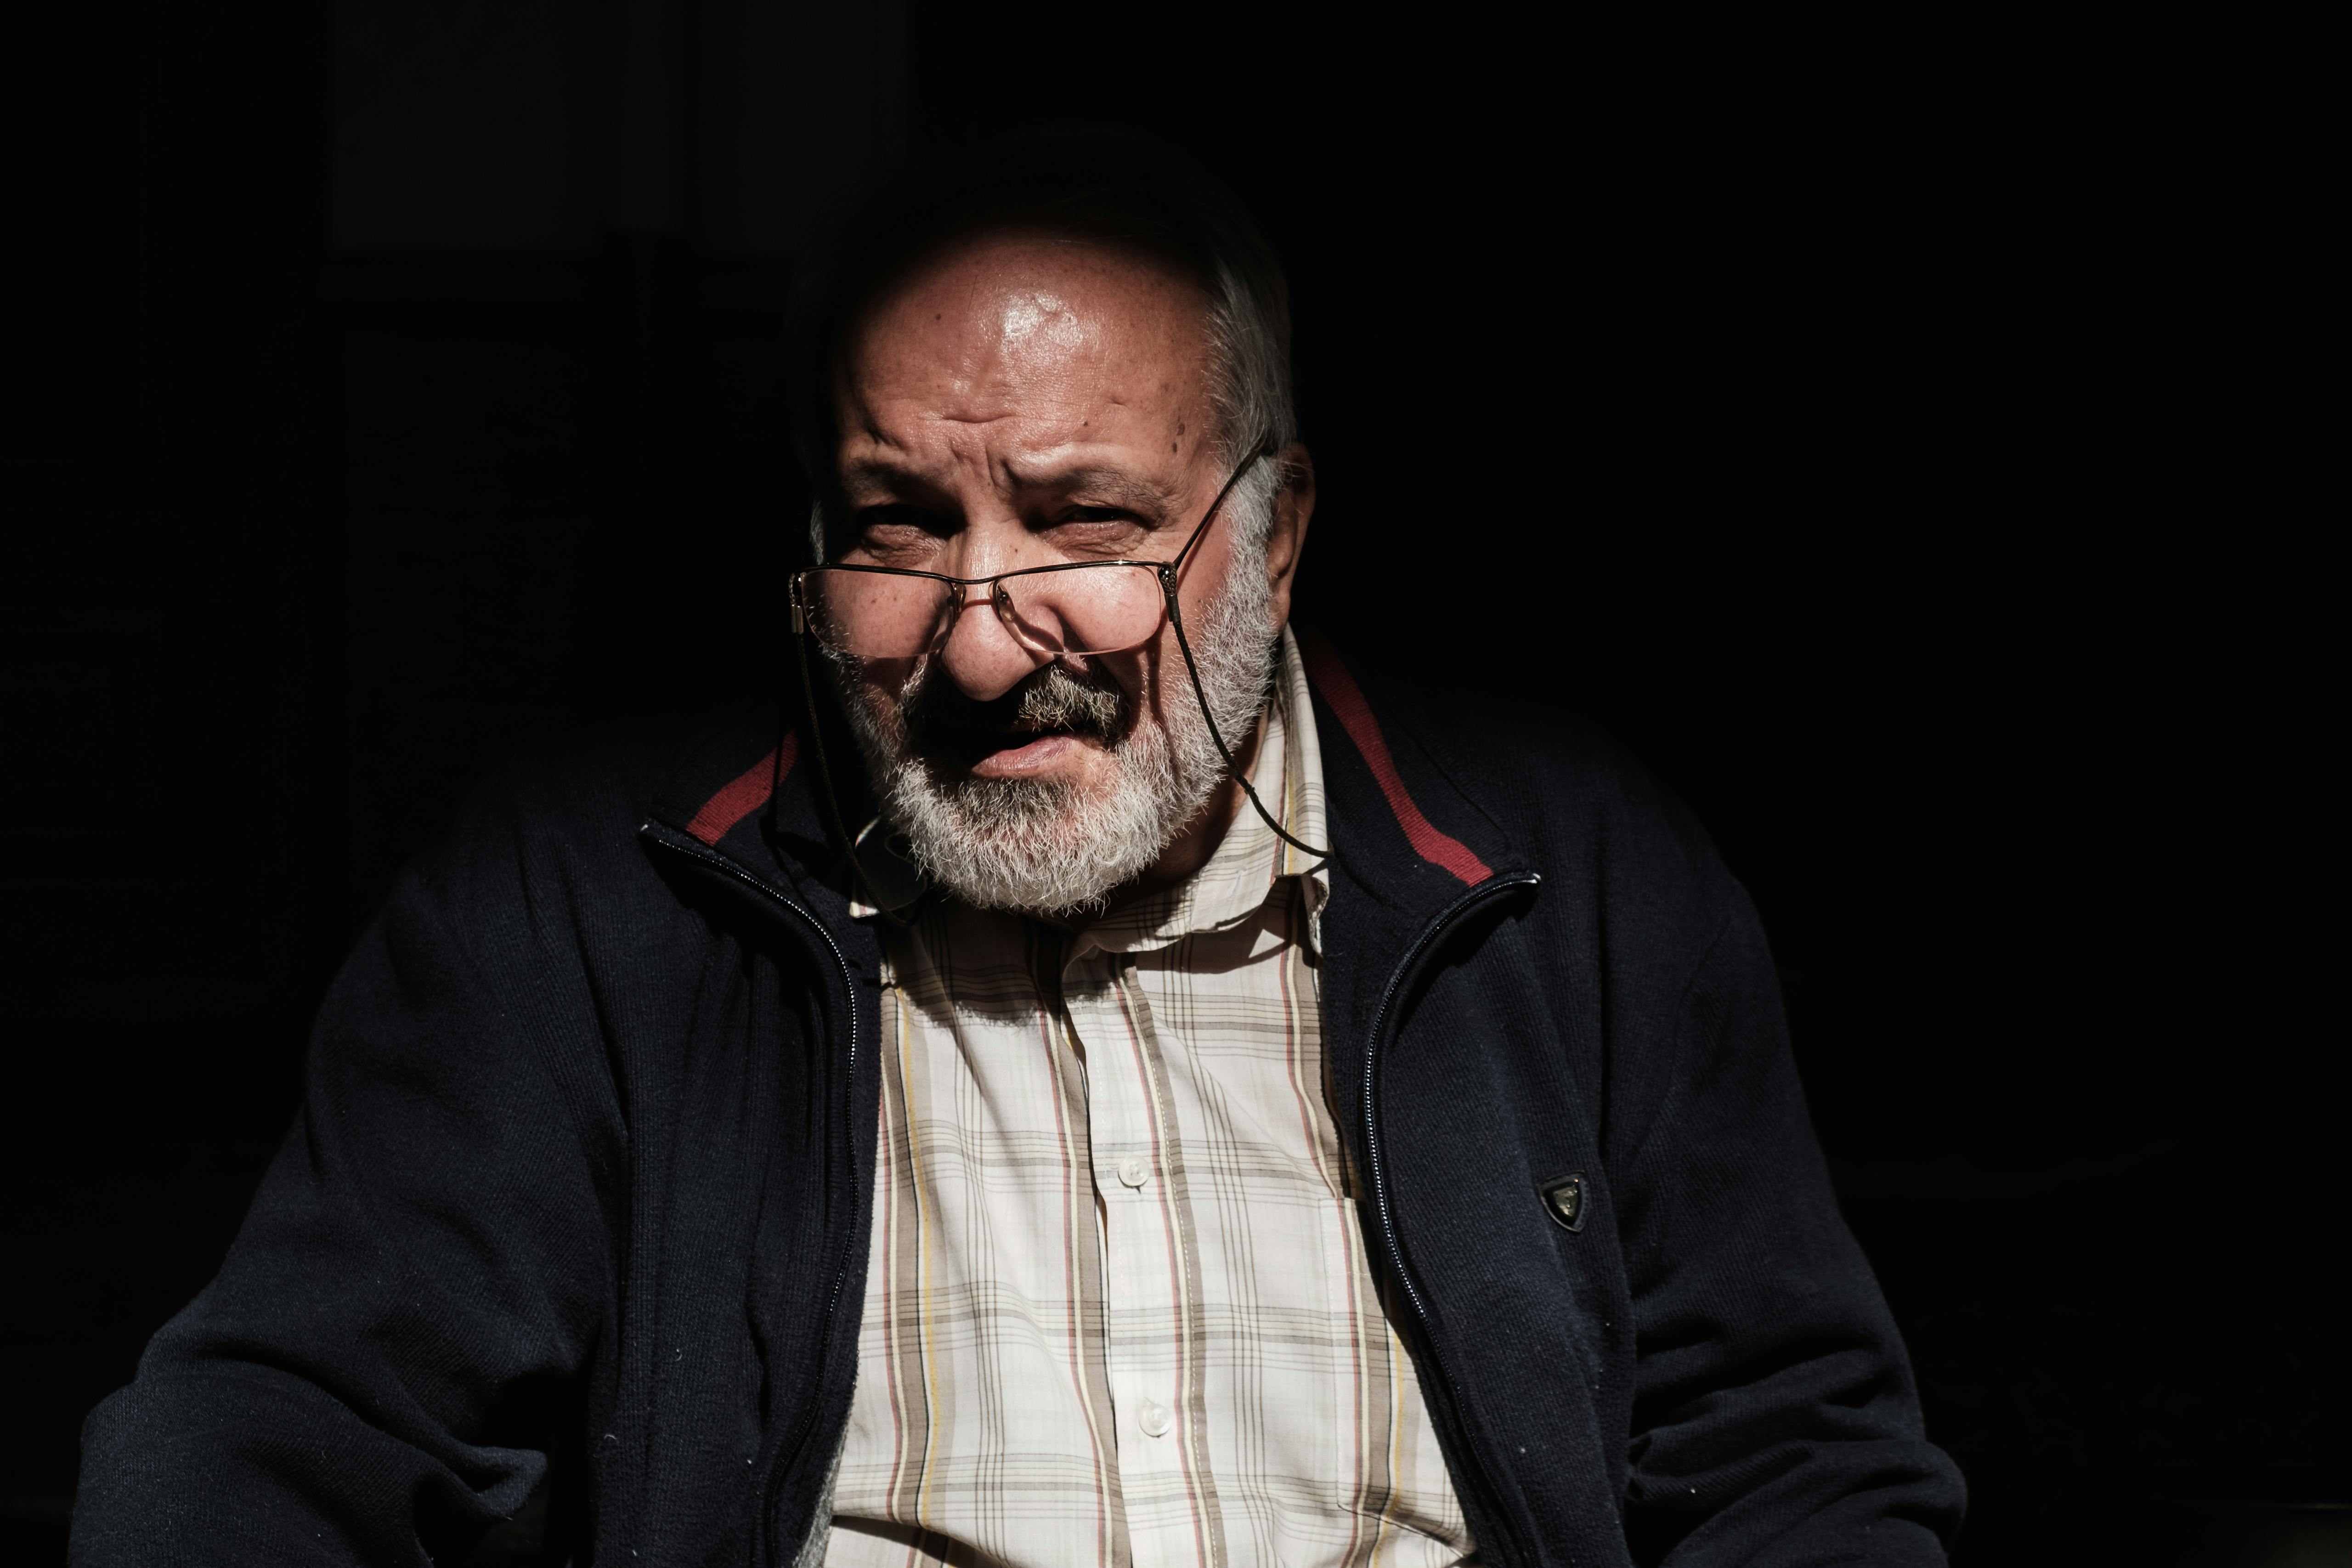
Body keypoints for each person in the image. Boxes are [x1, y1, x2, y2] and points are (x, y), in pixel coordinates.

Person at [72, 130, 1964, 1567]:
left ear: (1278, 531)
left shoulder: (1576, 884)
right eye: (895, 526)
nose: (982, 640)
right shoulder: (581, 903)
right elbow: (281, 1430)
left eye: (1083, 522)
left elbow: (1795, 1455)